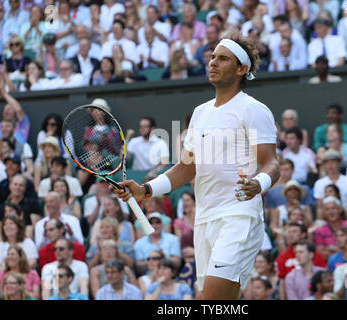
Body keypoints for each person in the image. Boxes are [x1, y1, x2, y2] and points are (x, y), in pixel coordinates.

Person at [114, 31, 280, 300]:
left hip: (238, 216)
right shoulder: (200, 113)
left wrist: (257, 184)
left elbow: (272, 163)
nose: (213, 62)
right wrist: (145, 190)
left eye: (223, 58)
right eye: (212, 57)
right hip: (205, 220)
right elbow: (185, 168)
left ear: (242, 68)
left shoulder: (254, 109)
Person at [275, 222, 327, 299]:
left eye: (294, 231)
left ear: (303, 234)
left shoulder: (316, 255)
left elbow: (323, 277)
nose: (290, 235)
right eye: (289, 232)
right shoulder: (282, 257)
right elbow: (282, 281)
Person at [313, 149, 347, 220]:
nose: (330, 164)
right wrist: (320, 222)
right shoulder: (319, 183)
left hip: (346, 217)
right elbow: (319, 207)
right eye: (327, 162)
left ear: (339, 163)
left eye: (333, 161)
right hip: (327, 219)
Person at [313, 197, 347, 261]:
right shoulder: (319, 230)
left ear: (340, 210)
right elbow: (321, 254)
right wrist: (339, 250)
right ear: (324, 212)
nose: (331, 212)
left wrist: (330, 248)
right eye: (327, 209)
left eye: (333, 208)